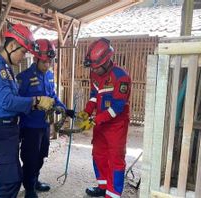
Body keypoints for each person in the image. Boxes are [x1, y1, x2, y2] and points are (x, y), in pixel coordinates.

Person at [0, 23, 55, 198]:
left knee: (8, 175)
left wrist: (37, 104)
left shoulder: (6, 69)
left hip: (9, 128)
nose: (23, 57)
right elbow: (7, 101)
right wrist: (35, 101)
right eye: (22, 52)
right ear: (12, 45)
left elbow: (14, 99)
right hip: (0, 129)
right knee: (11, 179)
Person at [16, 39, 75, 198]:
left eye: (50, 61)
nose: (47, 65)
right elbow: (17, 102)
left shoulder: (49, 75)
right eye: (44, 62)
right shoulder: (24, 77)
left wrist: (64, 109)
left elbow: (53, 96)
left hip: (44, 125)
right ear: (35, 58)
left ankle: (35, 181)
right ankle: (29, 188)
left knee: (41, 155)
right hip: (29, 127)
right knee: (30, 158)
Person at [76, 38, 131, 198]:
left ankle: (113, 194)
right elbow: (94, 96)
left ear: (107, 61)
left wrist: (94, 120)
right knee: (98, 155)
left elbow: (117, 107)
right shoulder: (94, 73)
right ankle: (103, 187)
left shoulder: (121, 77)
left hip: (116, 125)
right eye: (92, 67)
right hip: (100, 123)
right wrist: (86, 111)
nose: (94, 70)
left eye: (96, 67)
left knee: (115, 160)